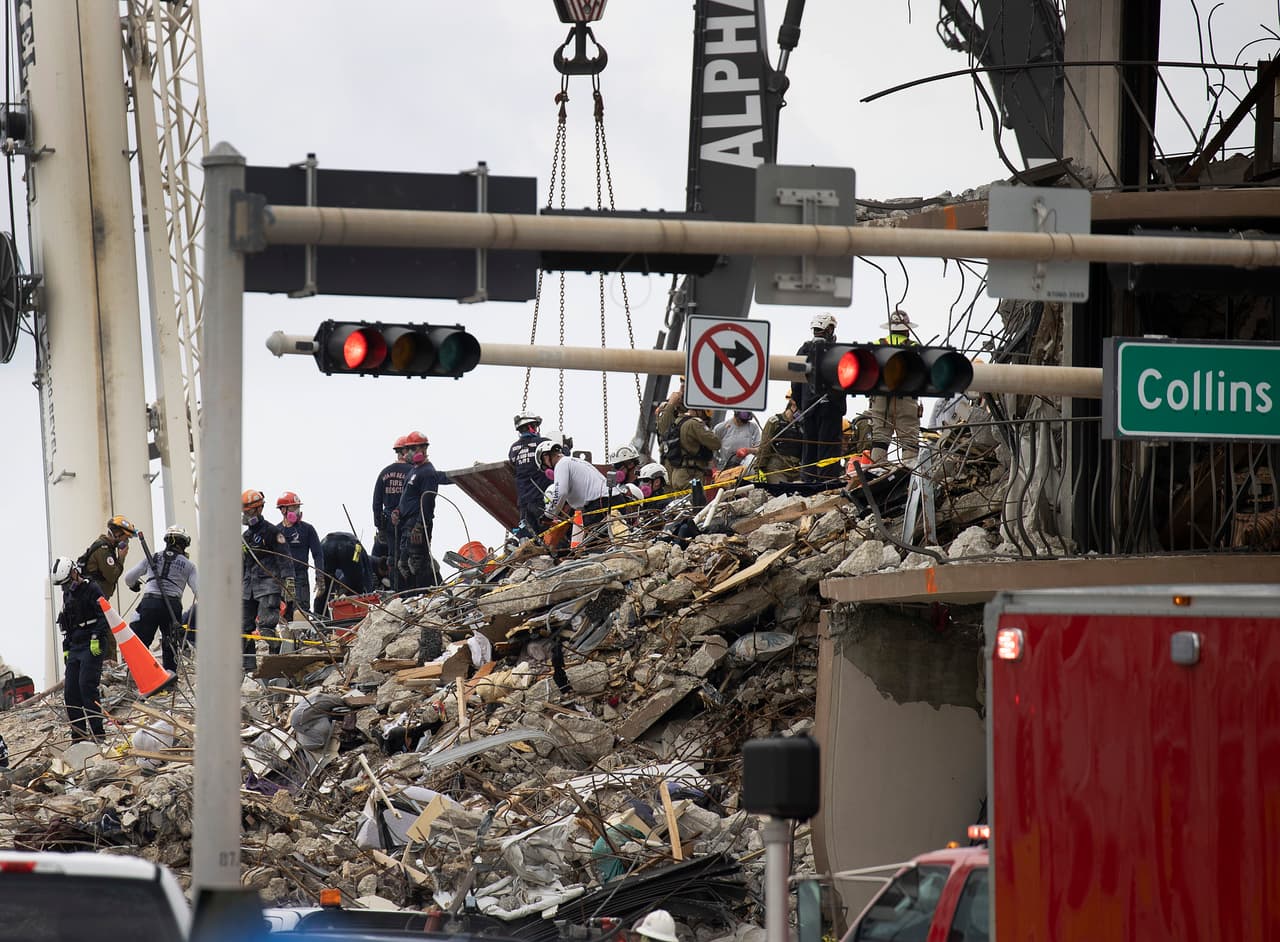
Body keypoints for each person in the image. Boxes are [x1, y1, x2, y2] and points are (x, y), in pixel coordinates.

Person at [122, 526, 198, 673]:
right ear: (184, 544)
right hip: (172, 605)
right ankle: (170, 679)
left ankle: (136, 676)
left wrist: (134, 585)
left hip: (149, 602)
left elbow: (128, 578)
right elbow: (199, 591)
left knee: (141, 642)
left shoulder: (153, 557)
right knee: (170, 644)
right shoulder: (189, 565)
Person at [51, 556, 110, 742]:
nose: (66, 587)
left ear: (74, 573)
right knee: (70, 692)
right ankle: (78, 736)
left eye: (67, 583)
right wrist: (66, 648)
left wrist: (96, 637)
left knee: (87, 686)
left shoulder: (92, 588)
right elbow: (67, 622)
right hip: (76, 644)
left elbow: (104, 615)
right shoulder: (67, 594)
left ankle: (98, 733)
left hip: (92, 642)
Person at [792, 312, 849, 482]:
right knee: (829, 448)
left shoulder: (803, 350)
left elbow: (795, 381)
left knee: (809, 447)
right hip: (831, 408)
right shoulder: (836, 351)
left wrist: (802, 404)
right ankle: (826, 484)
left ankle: (808, 482)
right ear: (829, 328)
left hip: (809, 409)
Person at [394, 431, 453, 591]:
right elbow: (407, 497)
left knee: (417, 562)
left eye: (411, 449)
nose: (407, 453)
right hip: (407, 523)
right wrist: (398, 511)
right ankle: (421, 593)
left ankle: (425, 594)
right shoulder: (413, 471)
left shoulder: (427, 472)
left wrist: (420, 525)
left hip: (417, 524)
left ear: (422, 449)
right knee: (404, 563)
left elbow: (428, 502)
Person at [241, 489, 291, 672]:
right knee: (243, 628)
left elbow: (285, 559)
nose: (246, 515)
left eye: (249, 511)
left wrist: (288, 583)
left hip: (268, 587)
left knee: (266, 626)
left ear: (259, 509)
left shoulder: (272, 532)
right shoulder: (245, 538)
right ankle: (248, 667)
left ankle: (274, 662)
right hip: (247, 589)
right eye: (244, 511)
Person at [78, 514, 137, 662]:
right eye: (125, 537)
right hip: (94, 602)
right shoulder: (103, 549)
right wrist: (122, 557)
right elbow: (112, 575)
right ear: (117, 534)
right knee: (108, 638)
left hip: (98, 601)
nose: (126, 541)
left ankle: (107, 667)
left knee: (107, 636)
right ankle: (108, 669)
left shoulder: (107, 548)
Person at [868, 308, 921, 464]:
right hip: (906, 398)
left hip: (880, 398)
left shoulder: (877, 345)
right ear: (907, 329)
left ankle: (877, 472)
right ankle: (908, 476)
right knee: (909, 439)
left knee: (879, 438)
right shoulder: (914, 346)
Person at [537, 439, 613, 534]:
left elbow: (561, 492)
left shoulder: (561, 464)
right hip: (613, 499)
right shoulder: (575, 461)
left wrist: (548, 515)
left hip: (600, 504)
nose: (548, 469)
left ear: (545, 456)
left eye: (544, 466)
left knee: (592, 545)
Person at [372, 434, 413, 589]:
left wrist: (380, 526)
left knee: (393, 557)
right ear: (404, 452)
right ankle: (411, 593)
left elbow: (376, 503)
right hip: (408, 521)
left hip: (389, 522)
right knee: (411, 557)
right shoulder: (413, 472)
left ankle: (397, 592)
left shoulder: (384, 473)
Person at [277, 491, 324, 618]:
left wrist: (320, 577)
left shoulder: (307, 529)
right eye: (293, 508)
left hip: (300, 578)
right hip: (281, 580)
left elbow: (318, 554)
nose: (297, 511)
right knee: (283, 614)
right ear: (283, 510)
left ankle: (302, 636)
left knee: (301, 612)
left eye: (298, 507)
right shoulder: (276, 531)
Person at [660, 401, 721, 490]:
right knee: (696, 502)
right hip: (691, 475)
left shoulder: (678, 421)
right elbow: (716, 443)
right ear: (699, 410)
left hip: (677, 474)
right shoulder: (695, 423)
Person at [314, 531, 376, 616]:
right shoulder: (361, 550)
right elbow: (366, 576)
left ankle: (318, 615)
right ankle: (356, 614)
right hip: (349, 545)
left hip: (325, 544)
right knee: (355, 587)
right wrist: (369, 592)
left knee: (324, 586)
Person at [508, 413, 550, 537]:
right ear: (532, 427)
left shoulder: (513, 448)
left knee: (528, 536)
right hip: (541, 499)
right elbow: (561, 456)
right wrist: (565, 447)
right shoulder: (543, 443)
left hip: (524, 502)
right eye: (535, 427)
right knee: (549, 535)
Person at [757, 392, 803, 482]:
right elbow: (765, 446)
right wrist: (759, 469)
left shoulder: (802, 426)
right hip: (777, 468)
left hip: (797, 469)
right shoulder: (775, 422)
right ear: (793, 403)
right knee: (780, 493)